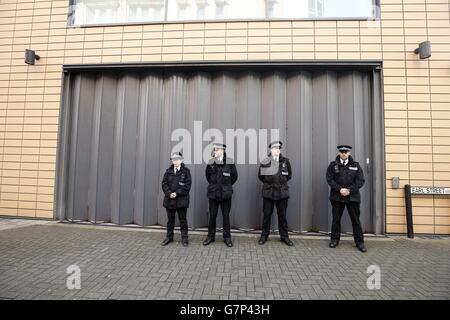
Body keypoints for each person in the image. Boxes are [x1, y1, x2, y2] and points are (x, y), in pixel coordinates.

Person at [326, 145, 367, 252]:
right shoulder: (333, 165)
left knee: (356, 221)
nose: (344, 153)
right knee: (336, 220)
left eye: (346, 152)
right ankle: (334, 240)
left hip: (352, 197)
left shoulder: (356, 165)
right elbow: (329, 179)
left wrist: (349, 190)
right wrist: (339, 189)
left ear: (349, 153)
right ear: (339, 153)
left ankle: (360, 243)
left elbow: (360, 180)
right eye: (342, 151)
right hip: (337, 197)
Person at [257, 141, 293, 246]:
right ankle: (264, 236)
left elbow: (289, 176)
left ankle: (284, 237)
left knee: (282, 216)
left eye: (279, 148)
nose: (277, 150)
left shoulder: (286, 162)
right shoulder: (265, 162)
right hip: (269, 193)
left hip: (282, 194)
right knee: (267, 215)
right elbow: (261, 176)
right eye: (275, 148)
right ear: (271, 150)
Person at [203, 143, 238, 247]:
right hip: (213, 194)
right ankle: (210, 237)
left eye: (217, 150)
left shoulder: (229, 162)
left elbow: (234, 177)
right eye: (214, 150)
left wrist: (226, 187)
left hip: (225, 195)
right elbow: (208, 177)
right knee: (212, 216)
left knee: (226, 216)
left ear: (222, 151)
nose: (215, 152)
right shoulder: (211, 163)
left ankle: (227, 238)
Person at [161, 152, 191, 247]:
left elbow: (187, 186)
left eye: (177, 159)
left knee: (183, 220)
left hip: (181, 200)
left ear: (181, 160)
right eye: (173, 159)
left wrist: (176, 193)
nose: (175, 161)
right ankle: (169, 237)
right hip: (170, 200)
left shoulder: (186, 171)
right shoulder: (168, 171)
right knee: (170, 221)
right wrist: (169, 193)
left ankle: (184, 238)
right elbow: (164, 184)